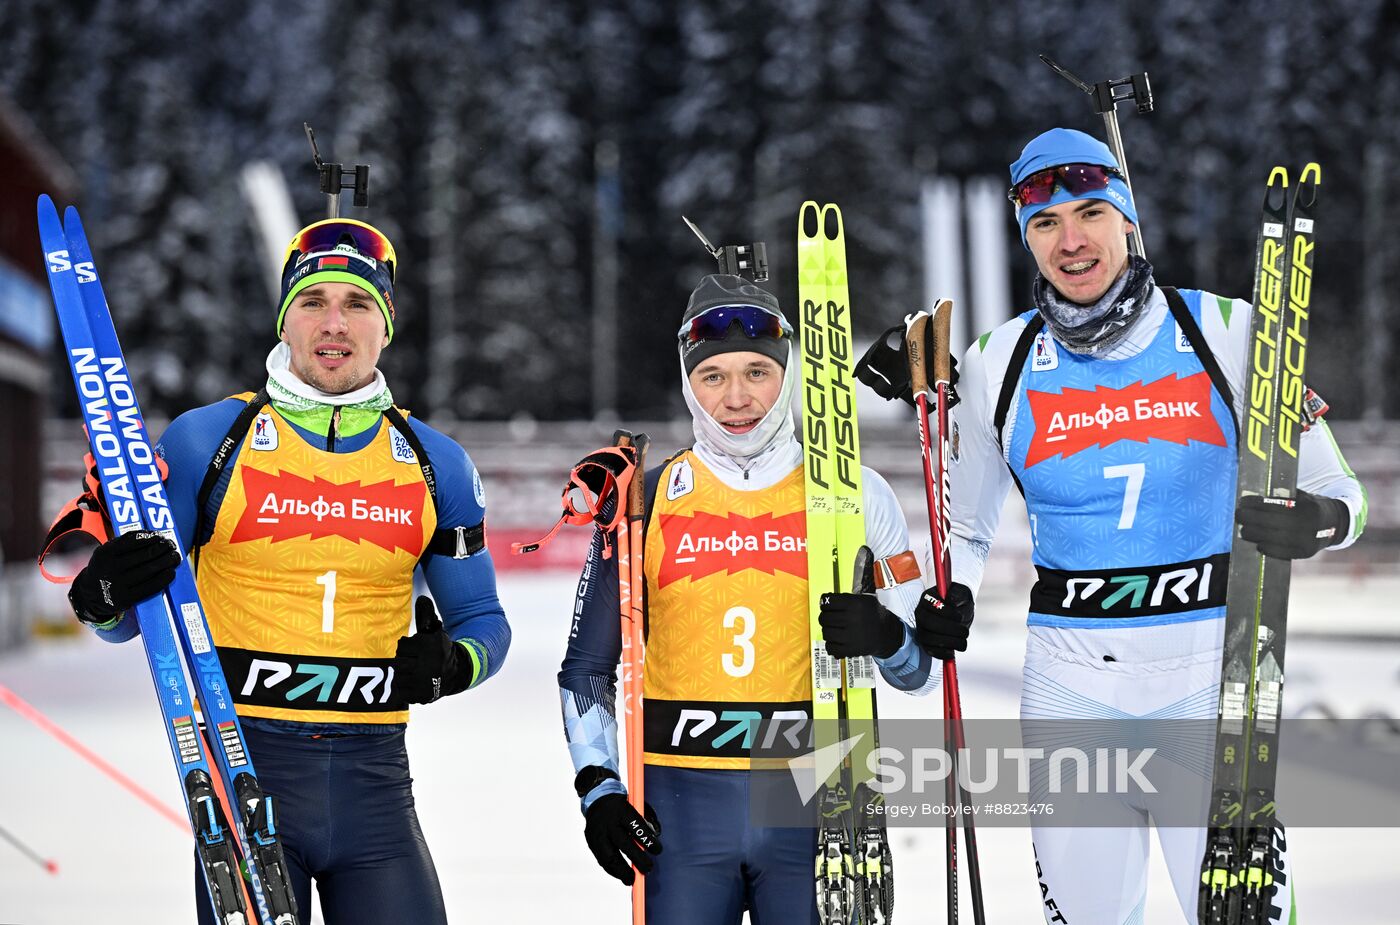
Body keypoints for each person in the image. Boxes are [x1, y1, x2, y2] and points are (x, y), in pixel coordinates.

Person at [911, 128, 1367, 923]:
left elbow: (1342, 493)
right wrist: (951, 592)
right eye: (1045, 223)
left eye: (1090, 213)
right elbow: (967, 532)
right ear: (1027, 237)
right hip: (1070, 687)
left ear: (1127, 218)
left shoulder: (1227, 330)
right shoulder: (996, 361)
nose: (1071, 241)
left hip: (1210, 678)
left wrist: (1317, 521)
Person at [65, 218, 511, 924]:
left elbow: (484, 623)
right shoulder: (209, 440)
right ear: (284, 320)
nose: (334, 324)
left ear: (386, 325)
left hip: (377, 790)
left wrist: (453, 665)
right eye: (313, 302)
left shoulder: (436, 463)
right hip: (245, 776)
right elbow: (127, 624)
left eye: (358, 303)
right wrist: (104, 594)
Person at [557, 273, 937, 923]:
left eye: (757, 372)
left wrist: (885, 634)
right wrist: (600, 787)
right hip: (679, 806)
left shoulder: (856, 494)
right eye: (713, 376)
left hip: (816, 798)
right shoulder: (644, 500)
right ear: (689, 382)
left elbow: (920, 673)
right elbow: (586, 667)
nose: (736, 397)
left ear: (787, 376)